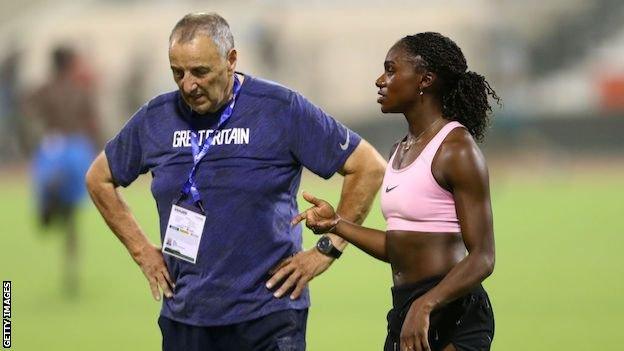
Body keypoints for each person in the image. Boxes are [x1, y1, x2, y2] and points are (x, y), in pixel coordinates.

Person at [85, 12, 385, 351]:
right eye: (177, 73)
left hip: (268, 316)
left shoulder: (279, 109)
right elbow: (99, 178)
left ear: (231, 60)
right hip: (185, 316)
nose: (188, 84)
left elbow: (368, 167)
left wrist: (327, 249)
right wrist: (141, 251)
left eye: (200, 71)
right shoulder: (156, 118)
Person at [293, 32, 500, 351]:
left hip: (452, 311)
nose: (380, 80)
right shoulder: (400, 149)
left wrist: (426, 305)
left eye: (391, 70)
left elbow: (483, 257)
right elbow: (398, 246)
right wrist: (337, 224)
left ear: (425, 80)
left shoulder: (456, 149)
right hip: (409, 308)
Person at [25, 45, 100, 297]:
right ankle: (56, 207)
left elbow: (27, 113)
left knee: (56, 212)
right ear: (69, 64)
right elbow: (93, 122)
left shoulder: (44, 89)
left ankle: (50, 206)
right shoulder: (80, 91)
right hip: (75, 151)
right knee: (70, 218)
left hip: (54, 148)